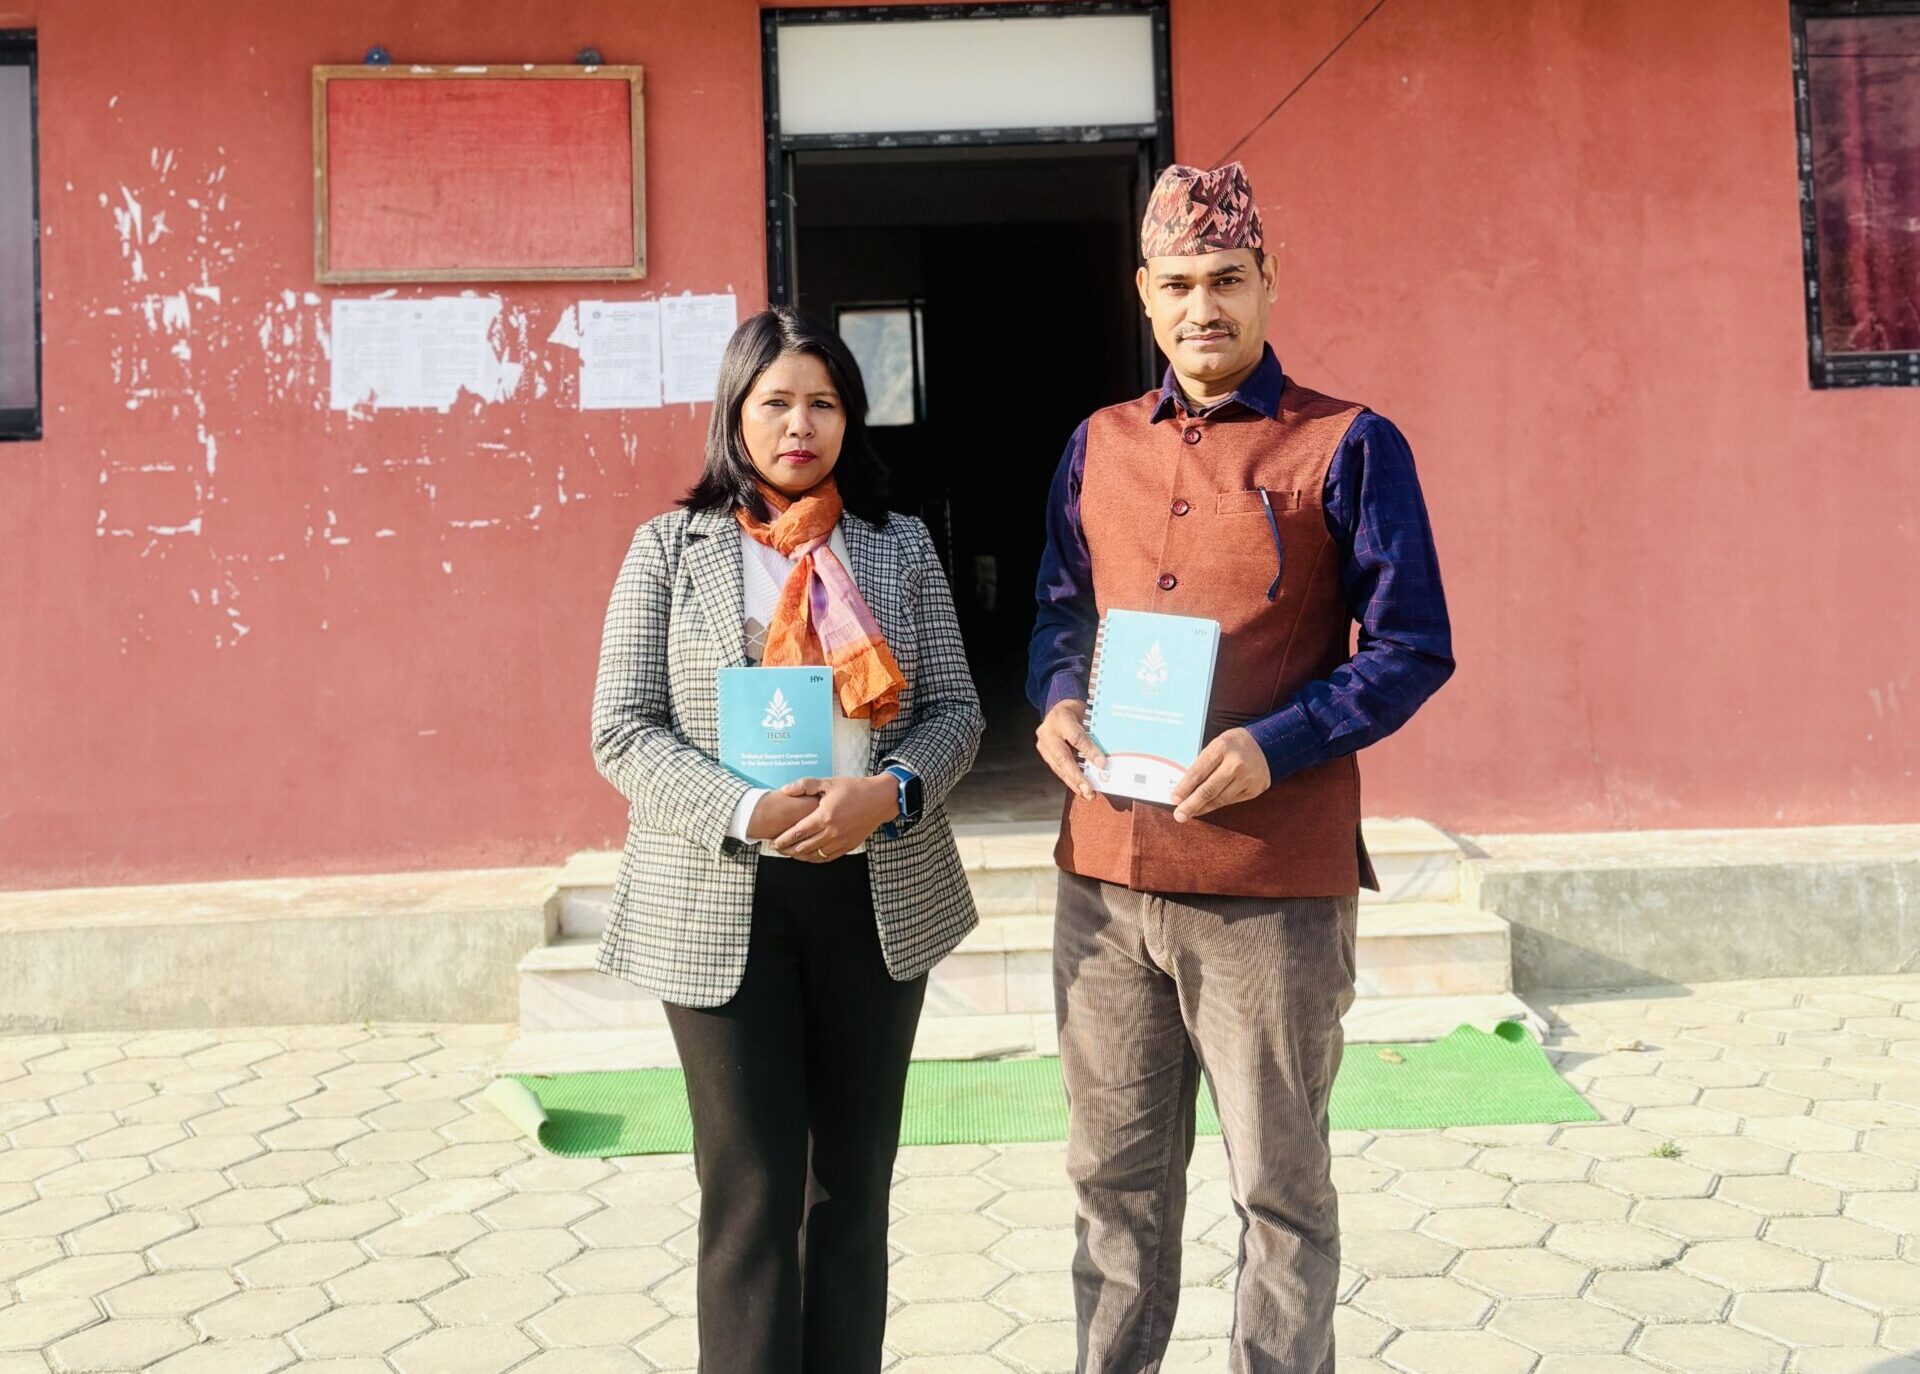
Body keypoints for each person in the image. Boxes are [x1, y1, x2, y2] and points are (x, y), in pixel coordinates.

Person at [1028, 162, 1455, 1372]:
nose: (1202, 306)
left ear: (1270, 282)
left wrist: (1276, 749)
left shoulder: (1351, 445)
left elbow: (1415, 648)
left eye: (1227, 279)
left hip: (1273, 886)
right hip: (1106, 877)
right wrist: (1057, 699)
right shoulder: (1097, 445)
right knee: (1113, 1188)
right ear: (1144, 296)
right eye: (1178, 283)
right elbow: (1061, 608)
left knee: (1279, 1192)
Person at [591, 307, 983, 1373]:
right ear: (736, 414)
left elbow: (955, 708)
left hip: (874, 896)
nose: (800, 423)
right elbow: (621, 727)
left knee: (850, 1190)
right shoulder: (672, 550)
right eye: (776, 402)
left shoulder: (896, 548)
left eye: (823, 402)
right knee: (752, 1191)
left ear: (850, 418)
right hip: (724, 902)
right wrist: (743, 807)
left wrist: (890, 792)